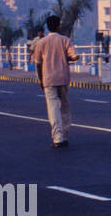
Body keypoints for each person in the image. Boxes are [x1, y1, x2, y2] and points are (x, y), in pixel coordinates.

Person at [31, 15, 79, 149]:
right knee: (64, 106)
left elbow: (38, 64)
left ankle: (57, 137)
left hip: (48, 78)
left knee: (52, 108)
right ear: (58, 26)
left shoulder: (41, 42)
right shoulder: (65, 40)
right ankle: (64, 133)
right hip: (63, 78)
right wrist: (71, 58)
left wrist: (40, 80)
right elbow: (74, 56)